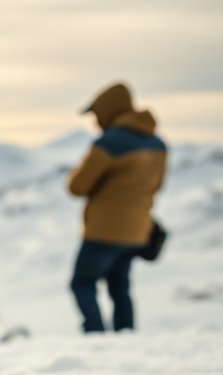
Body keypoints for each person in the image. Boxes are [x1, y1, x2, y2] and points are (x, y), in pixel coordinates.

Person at [67, 81, 167, 333]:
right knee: (120, 287)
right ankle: (126, 335)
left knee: (82, 283)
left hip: (103, 229)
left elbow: (78, 187)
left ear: (107, 111)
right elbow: (156, 187)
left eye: (96, 115)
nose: (95, 122)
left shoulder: (109, 143)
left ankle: (95, 335)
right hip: (137, 230)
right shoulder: (157, 144)